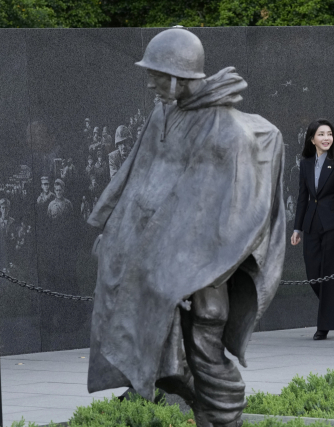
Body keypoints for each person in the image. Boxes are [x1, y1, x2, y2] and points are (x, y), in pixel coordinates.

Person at [86, 28, 285, 427]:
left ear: (180, 77)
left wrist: (190, 274)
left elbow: (236, 220)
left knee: (205, 356)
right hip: (160, 268)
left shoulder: (227, 132)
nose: (151, 82)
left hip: (203, 278)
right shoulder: (166, 112)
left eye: (158, 75)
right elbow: (140, 178)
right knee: (172, 365)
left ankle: (224, 420)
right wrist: (116, 232)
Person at [291, 119, 334, 340]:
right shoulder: (306, 163)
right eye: (321, 134)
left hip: (333, 224)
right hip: (310, 224)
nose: (326, 138)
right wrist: (297, 228)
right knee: (313, 274)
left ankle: (325, 325)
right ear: (312, 139)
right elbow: (302, 198)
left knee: (329, 274)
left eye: (329, 134)